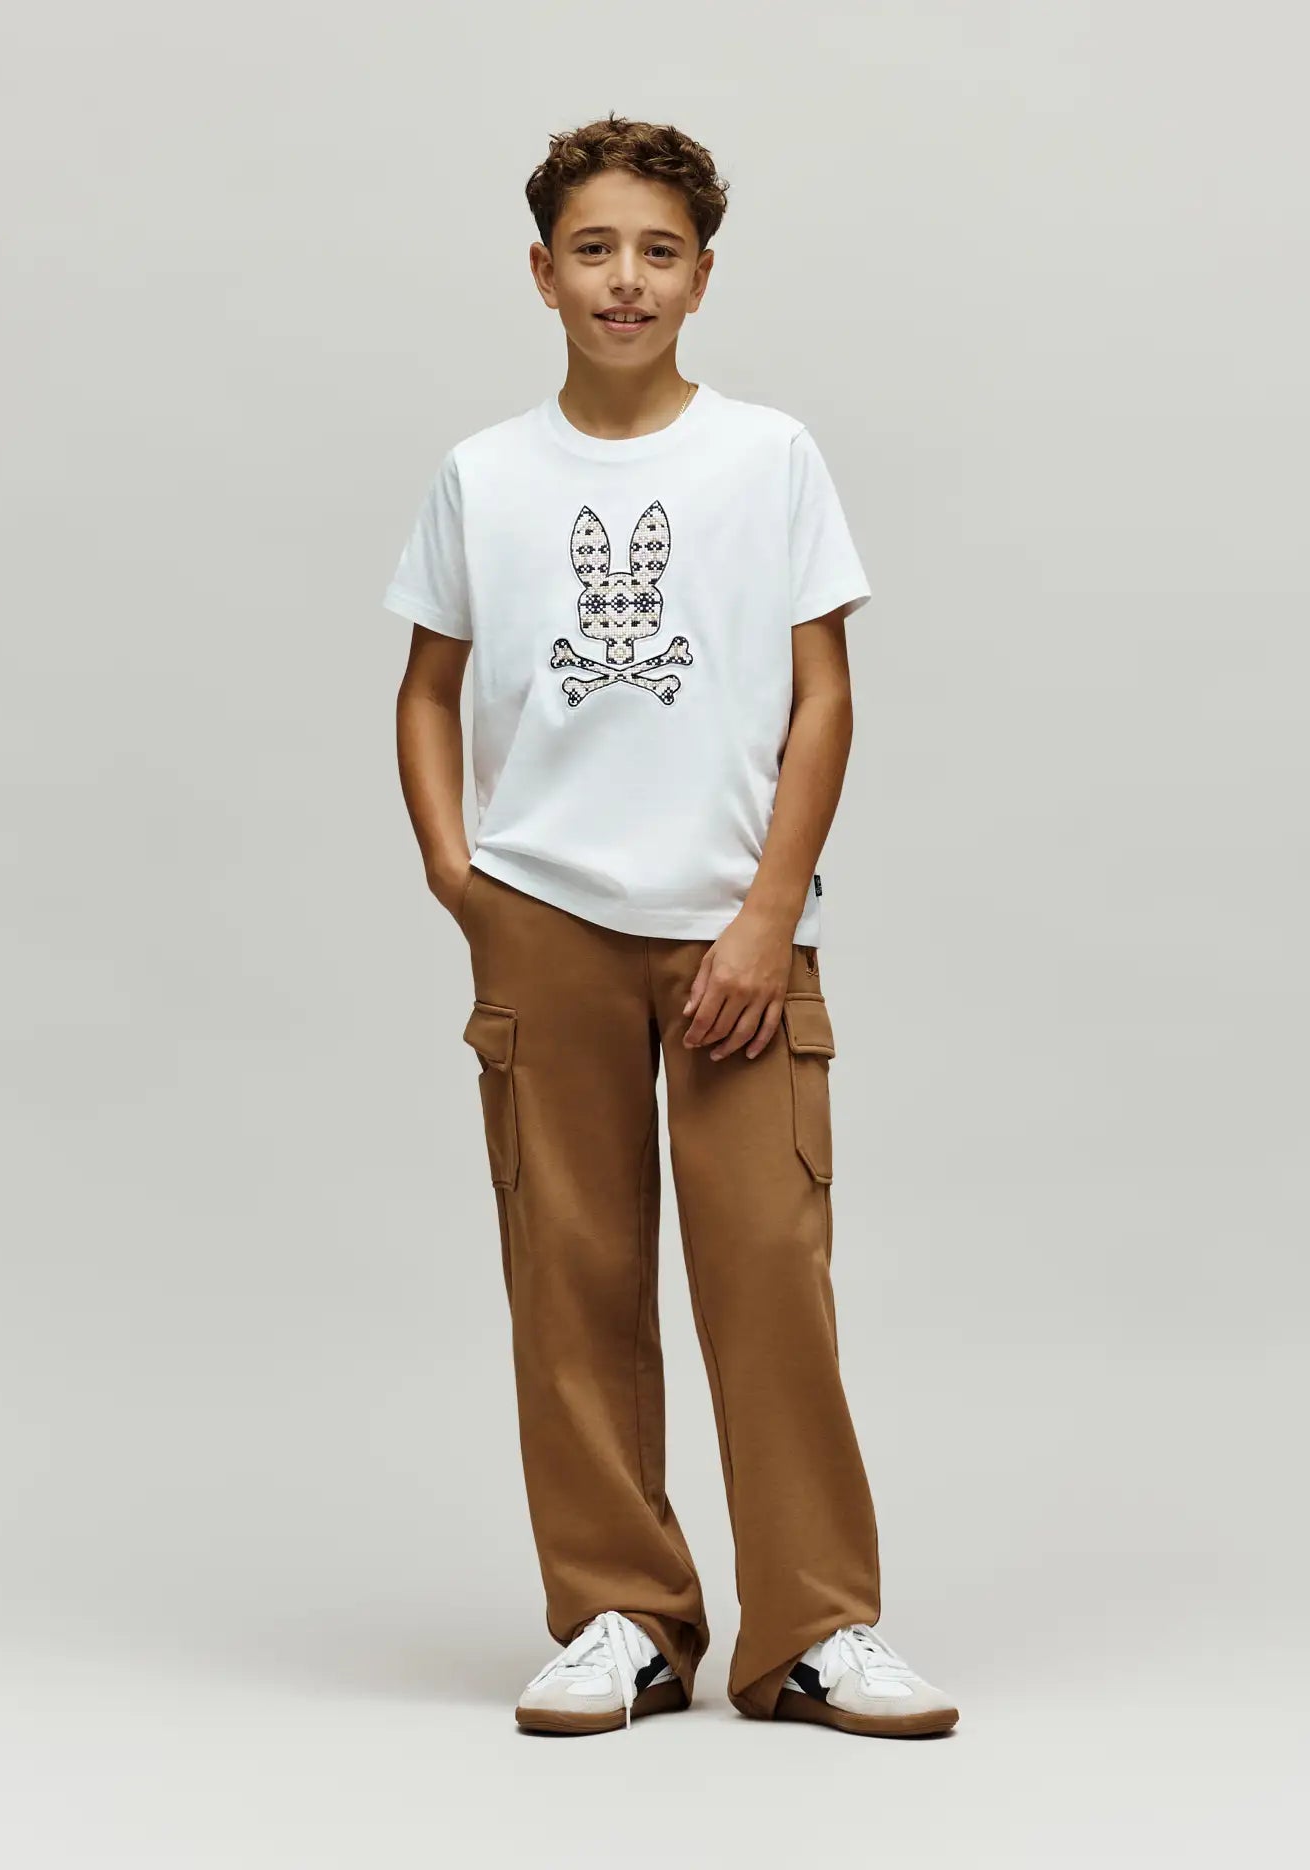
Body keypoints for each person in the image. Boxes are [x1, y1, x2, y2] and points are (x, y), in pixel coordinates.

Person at [385, 112, 959, 1741]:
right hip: (544, 919)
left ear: (703, 276)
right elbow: (426, 688)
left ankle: (816, 1627)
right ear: (542, 272)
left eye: (658, 251)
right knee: (569, 1274)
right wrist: (458, 877)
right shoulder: (485, 476)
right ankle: (620, 1614)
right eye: (594, 249)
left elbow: (823, 694)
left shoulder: (768, 459)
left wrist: (770, 912)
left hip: (734, 931)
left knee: (770, 1265)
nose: (624, 279)